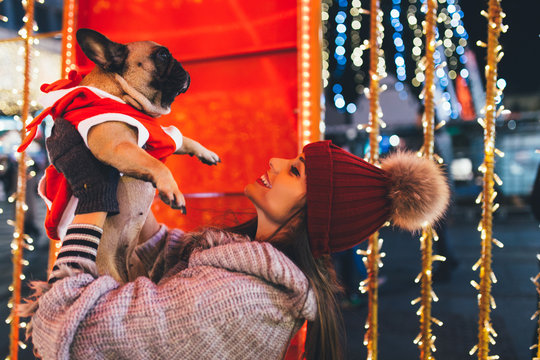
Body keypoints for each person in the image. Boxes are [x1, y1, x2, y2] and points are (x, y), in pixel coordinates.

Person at [21, 120, 450, 360]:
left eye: (296, 171)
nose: (276, 161)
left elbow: (66, 332)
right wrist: (126, 181)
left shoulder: (240, 299)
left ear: (315, 215)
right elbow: (166, 255)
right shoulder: (244, 268)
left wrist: (93, 200)